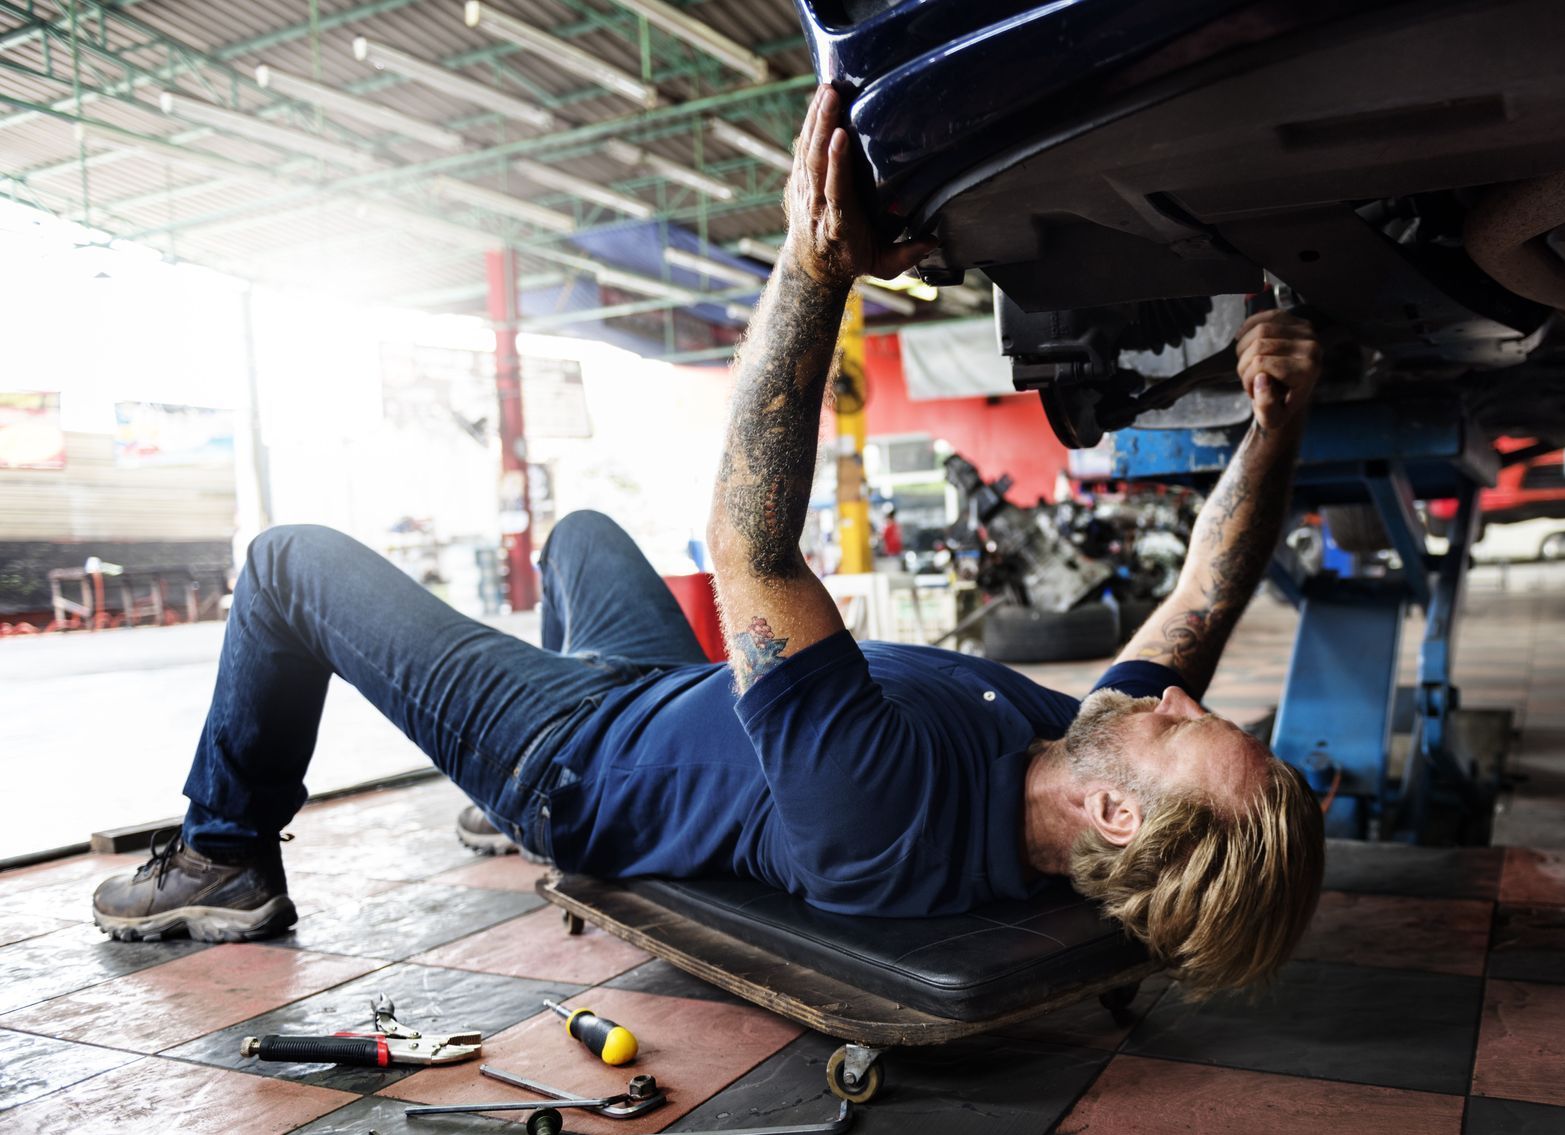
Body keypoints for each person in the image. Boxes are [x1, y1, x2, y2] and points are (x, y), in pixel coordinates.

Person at [91, 85, 1324, 996]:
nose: (1176, 702)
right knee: (579, 531)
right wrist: (1275, 420)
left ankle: (225, 856)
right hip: (662, 693)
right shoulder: (1082, 757)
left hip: (568, 758)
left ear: (1115, 814)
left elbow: (750, 549)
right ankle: (480, 795)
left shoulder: (886, 815)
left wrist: (814, 265)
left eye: (1186, 726)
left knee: (289, 561)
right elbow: (1205, 600)